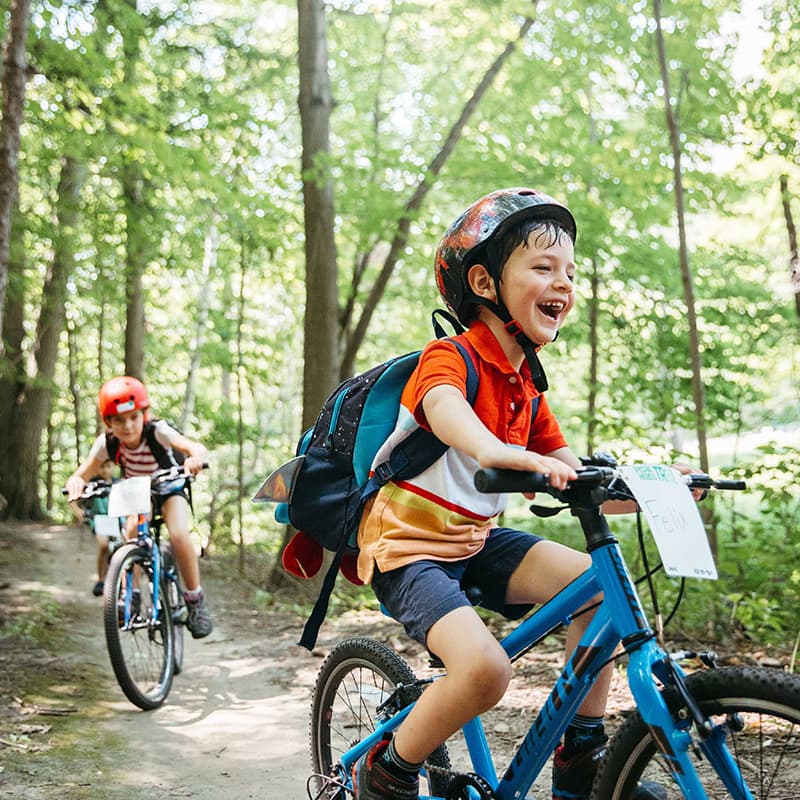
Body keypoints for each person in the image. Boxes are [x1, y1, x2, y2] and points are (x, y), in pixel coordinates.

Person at [351, 188, 670, 800]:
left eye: (570, 272)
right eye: (544, 267)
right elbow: (443, 409)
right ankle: (385, 769)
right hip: (407, 550)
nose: (564, 282)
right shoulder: (451, 357)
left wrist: (661, 489)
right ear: (484, 281)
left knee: (600, 586)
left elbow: (579, 479)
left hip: (476, 541)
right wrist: (494, 450)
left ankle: (580, 755)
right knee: (485, 671)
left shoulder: (526, 386)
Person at [66, 376, 213, 639]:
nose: (128, 425)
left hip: (169, 488)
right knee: (129, 537)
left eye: (134, 417)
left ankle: (195, 601)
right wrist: (76, 483)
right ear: (108, 423)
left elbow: (194, 447)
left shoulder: (158, 431)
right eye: (119, 420)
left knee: (179, 534)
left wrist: (195, 458)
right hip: (137, 494)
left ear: (144, 414)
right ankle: (129, 594)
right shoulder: (106, 444)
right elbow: (81, 474)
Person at [68, 457, 118, 596]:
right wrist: (77, 510)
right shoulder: (92, 483)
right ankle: (101, 579)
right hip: (99, 519)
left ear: (114, 466)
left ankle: (118, 581)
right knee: (104, 546)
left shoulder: (118, 483)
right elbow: (72, 497)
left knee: (120, 549)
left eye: (109, 466)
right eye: (102, 466)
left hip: (117, 520)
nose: (106, 469)